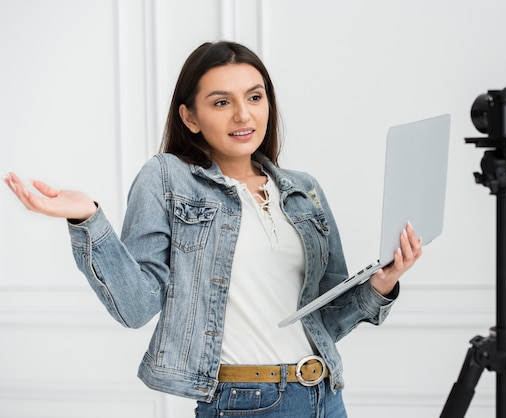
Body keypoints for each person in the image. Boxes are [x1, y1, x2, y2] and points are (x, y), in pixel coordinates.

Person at [3, 41, 422, 417]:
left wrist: (383, 285)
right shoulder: (166, 178)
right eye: (221, 102)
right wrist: (88, 219)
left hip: (325, 395)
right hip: (244, 402)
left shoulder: (304, 189)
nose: (244, 114)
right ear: (189, 116)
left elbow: (327, 320)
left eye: (255, 97)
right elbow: (135, 307)